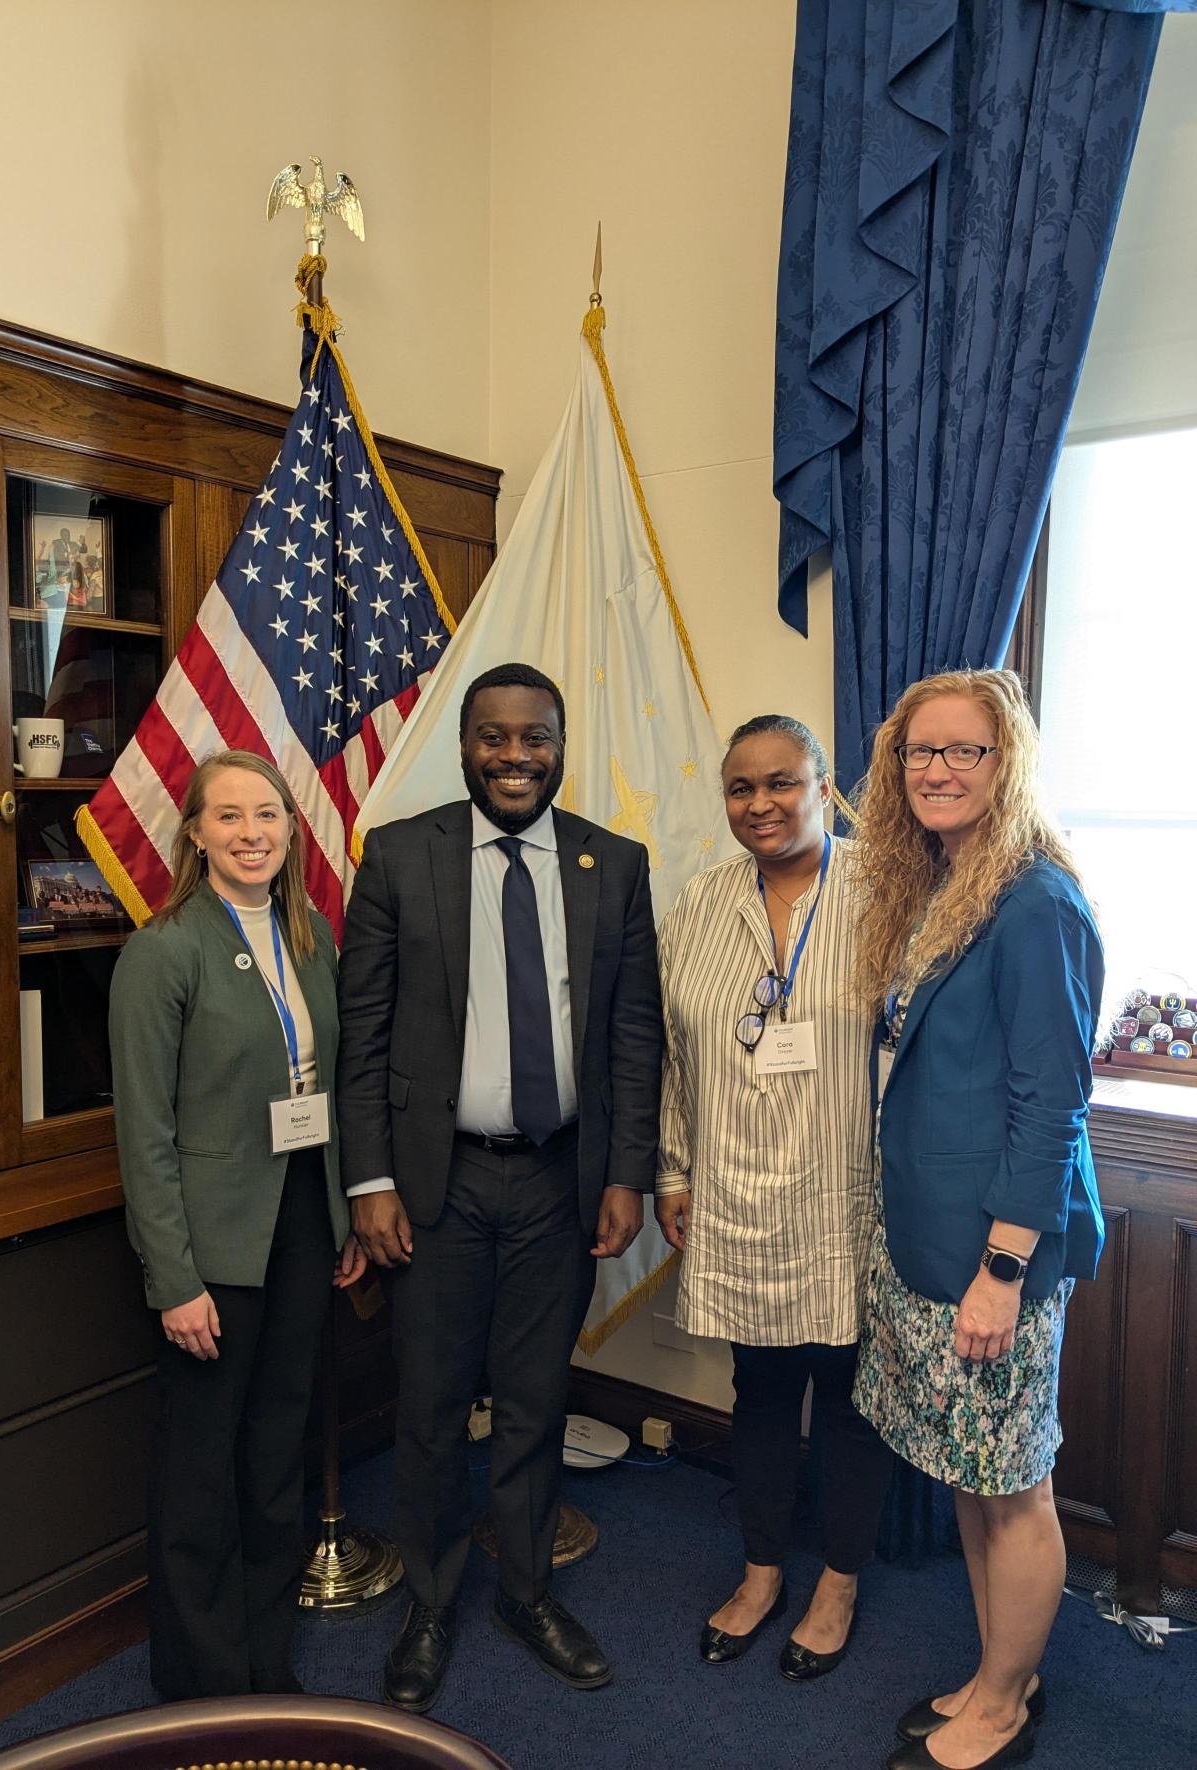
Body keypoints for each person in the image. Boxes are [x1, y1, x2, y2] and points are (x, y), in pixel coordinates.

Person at [336, 660, 663, 1713]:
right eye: (494, 736)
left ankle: (525, 1593)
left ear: (559, 747)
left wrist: (625, 1173)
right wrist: (369, 1179)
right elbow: (362, 1034)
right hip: (437, 1181)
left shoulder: (613, 864)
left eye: (534, 737)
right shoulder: (400, 855)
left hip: (560, 1181)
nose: (514, 756)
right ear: (465, 746)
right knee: (432, 1406)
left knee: (534, 1401)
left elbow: (633, 1035)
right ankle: (431, 1602)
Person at [848, 669, 1105, 1770]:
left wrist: (1001, 1271)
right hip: (930, 1239)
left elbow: (1051, 1106)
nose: (938, 770)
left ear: (1008, 766)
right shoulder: (943, 881)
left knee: (1013, 1487)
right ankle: (1000, 1671)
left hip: (994, 1256)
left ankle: (1001, 1707)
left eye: (965, 751)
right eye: (921, 752)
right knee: (972, 1471)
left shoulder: (1036, 901)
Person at [108, 748, 363, 1701]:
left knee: (274, 1451)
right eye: (229, 816)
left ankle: (264, 1661)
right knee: (201, 1471)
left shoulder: (311, 936)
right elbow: (145, 1133)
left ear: (291, 828)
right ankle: (201, 1685)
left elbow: (326, 1087)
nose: (252, 833)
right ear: (195, 833)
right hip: (211, 1244)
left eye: (267, 815)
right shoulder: (164, 950)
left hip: (300, 1220)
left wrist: (339, 1214)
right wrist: (173, 1279)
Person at [655, 714, 893, 1682]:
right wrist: (673, 1170)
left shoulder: (886, 891)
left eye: (781, 782)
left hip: (849, 1194)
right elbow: (673, 1052)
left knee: (847, 1399)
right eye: (740, 788)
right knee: (756, 1392)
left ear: (823, 787)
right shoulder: (701, 901)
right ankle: (760, 1575)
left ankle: (836, 1584)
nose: (760, 804)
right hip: (738, 1191)